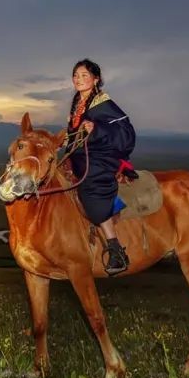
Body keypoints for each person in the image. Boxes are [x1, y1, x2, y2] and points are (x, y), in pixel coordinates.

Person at [62, 58, 137, 275]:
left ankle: (115, 250)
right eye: (76, 75)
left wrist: (96, 129)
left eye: (85, 75)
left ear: (96, 80)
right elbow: (75, 136)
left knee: (90, 186)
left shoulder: (103, 102)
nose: (79, 79)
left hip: (101, 156)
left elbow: (126, 132)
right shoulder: (78, 101)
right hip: (80, 155)